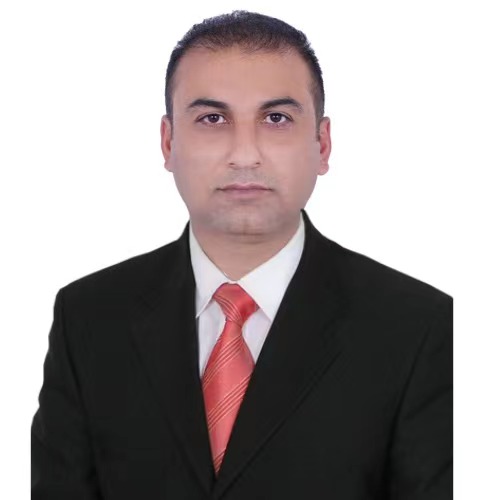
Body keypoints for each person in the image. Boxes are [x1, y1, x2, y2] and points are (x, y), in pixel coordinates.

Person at [31, 10, 453, 500]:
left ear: (322, 144)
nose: (245, 154)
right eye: (213, 119)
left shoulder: (419, 326)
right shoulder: (88, 316)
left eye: (276, 119)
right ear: (168, 142)